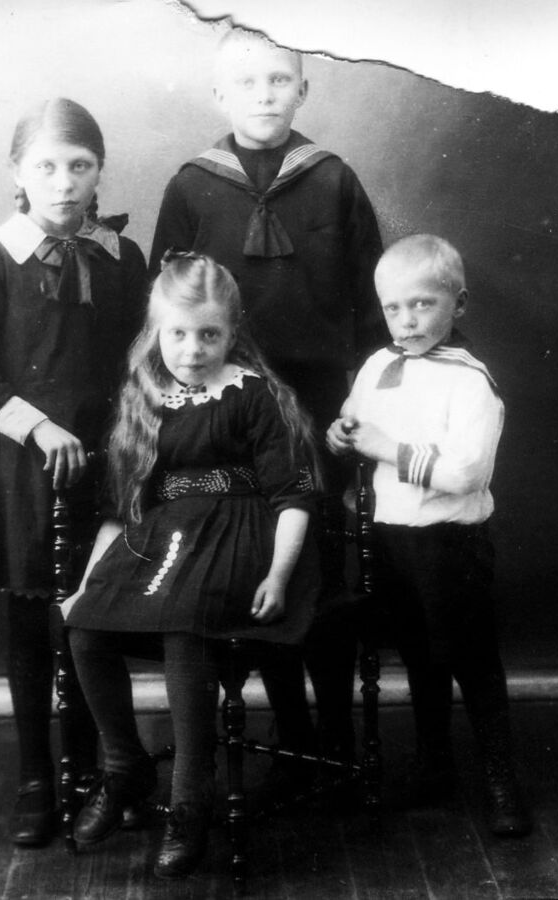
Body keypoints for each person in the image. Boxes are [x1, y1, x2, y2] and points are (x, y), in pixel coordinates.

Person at [149, 26, 384, 765]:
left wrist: (360, 400)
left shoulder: (334, 179)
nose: (264, 95)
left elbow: (372, 309)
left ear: (303, 91)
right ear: (220, 94)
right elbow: (165, 307)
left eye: (280, 80)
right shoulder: (191, 184)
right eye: (247, 83)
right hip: (226, 404)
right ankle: (291, 727)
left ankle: (331, 734)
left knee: (319, 560)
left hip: (317, 402)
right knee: (253, 555)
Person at [62, 252, 320, 878]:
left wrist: (279, 574)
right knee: (84, 627)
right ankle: (124, 767)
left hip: (241, 536)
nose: (193, 349)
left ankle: (189, 801)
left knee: (187, 621)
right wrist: (86, 587)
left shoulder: (251, 394)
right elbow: (121, 511)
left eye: (209, 334)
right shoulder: (147, 399)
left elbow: (293, 497)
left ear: (232, 333)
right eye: (177, 333)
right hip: (162, 539)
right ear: (156, 331)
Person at [0, 98, 148, 846]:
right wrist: (38, 426)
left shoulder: (122, 257)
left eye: (80, 166)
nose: (64, 182)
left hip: (102, 462)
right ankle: (37, 777)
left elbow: (140, 357)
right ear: (18, 173)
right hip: (22, 463)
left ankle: (97, 771)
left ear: (99, 172)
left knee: (89, 618)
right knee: (33, 622)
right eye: (47, 166)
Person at [327, 233, 531, 836]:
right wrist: (341, 434)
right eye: (394, 308)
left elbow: (467, 473)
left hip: (448, 543)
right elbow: (355, 418)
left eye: (423, 304)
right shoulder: (378, 365)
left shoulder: (469, 380)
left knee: (471, 658)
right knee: (419, 656)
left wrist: (387, 449)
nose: (407, 320)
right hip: (389, 539)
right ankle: (434, 764)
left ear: (458, 304)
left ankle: (500, 777)